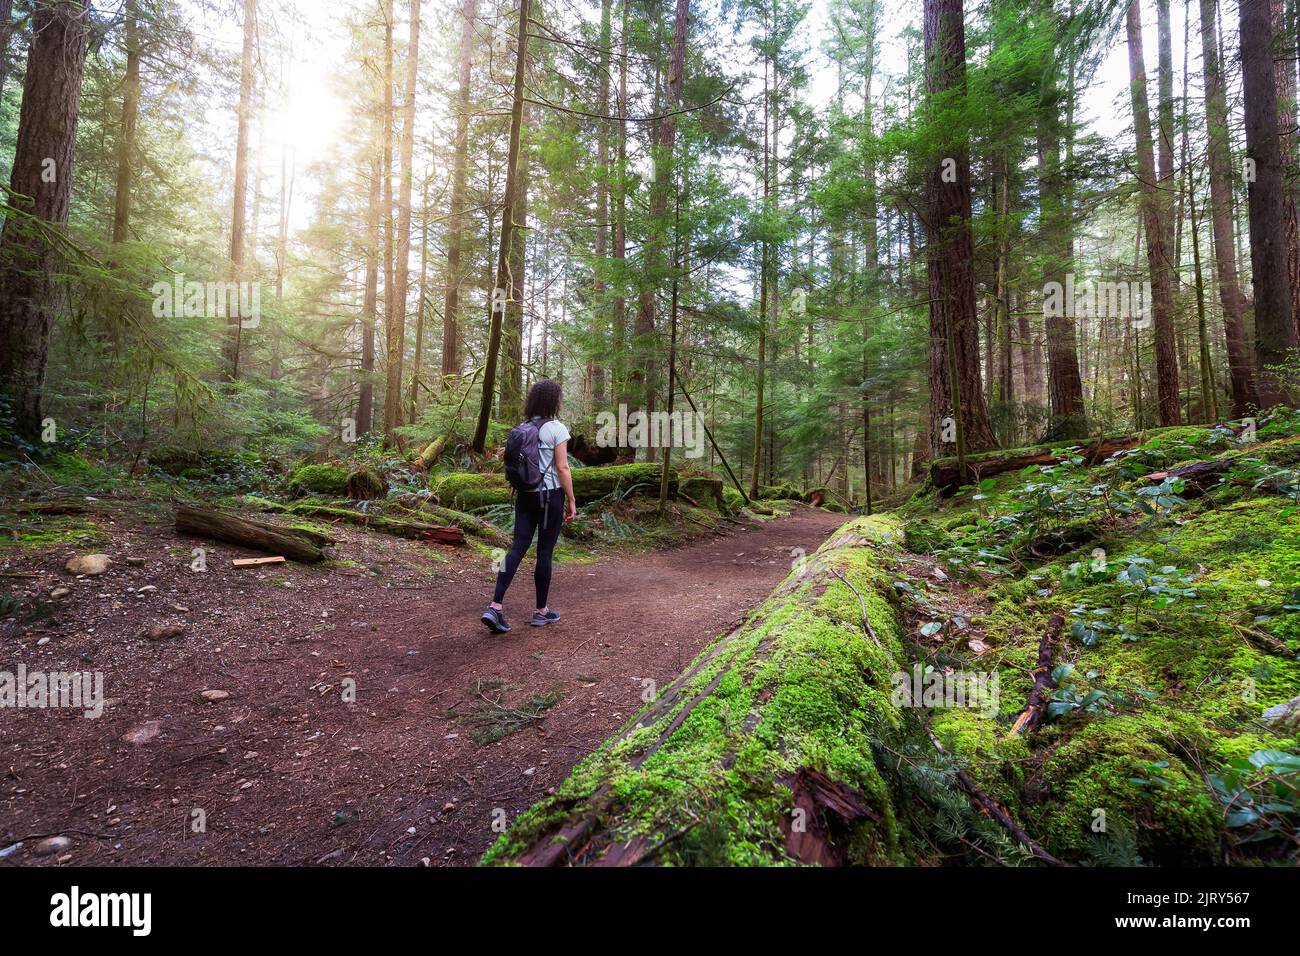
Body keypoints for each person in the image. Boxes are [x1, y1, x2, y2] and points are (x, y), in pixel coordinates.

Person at [481, 379, 577, 634]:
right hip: (549, 498)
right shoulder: (557, 428)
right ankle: (541, 612)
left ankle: (495, 606)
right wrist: (572, 499)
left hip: (525, 496)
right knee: (544, 552)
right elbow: (563, 467)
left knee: (515, 549)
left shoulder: (522, 428)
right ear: (553, 401)